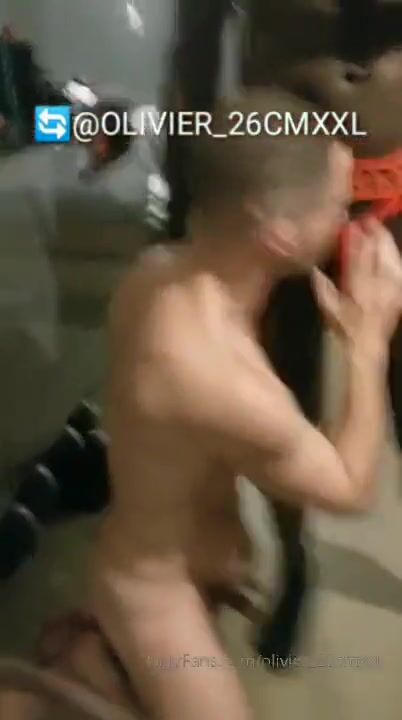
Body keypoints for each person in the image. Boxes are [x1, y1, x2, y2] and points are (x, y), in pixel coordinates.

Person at [2, 88, 402, 720]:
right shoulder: (217, 376)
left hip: (182, 555)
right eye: (334, 203)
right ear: (278, 234)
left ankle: (94, 664)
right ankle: (74, 671)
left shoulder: (161, 269)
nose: (344, 215)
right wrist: (370, 342)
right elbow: (351, 489)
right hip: (153, 593)